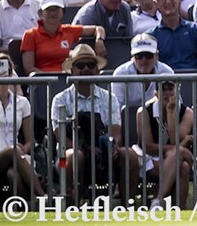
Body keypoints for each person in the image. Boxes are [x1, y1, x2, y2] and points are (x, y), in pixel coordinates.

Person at [49, 44, 140, 203]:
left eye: (91, 65)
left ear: (97, 70)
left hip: (103, 152)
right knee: (74, 155)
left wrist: (111, 147)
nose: (86, 69)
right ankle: (73, 207)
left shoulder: (109, 98)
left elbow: (116, 132)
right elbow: (62, 138)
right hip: (68, 155)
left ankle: (127, 207)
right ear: (72, 70)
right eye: (80, 65)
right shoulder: (60, 99)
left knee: (130, 155)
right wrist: (86, 148)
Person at [0, 53, 45, 201]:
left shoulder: (22, 102)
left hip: (17, 155)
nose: (3, 73)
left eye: (7, 70)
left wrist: (23, 149)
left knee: (13, 174)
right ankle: (43, 196)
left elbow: (30, 141)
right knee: (13, 151)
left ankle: (22, 213)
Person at [136, 78, 195, 210]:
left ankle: (159, 201)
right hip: (151, 159)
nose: (168, 93)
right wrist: (179, 147)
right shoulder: (143, 111)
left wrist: (170, 113)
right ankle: (175, 207)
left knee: (182, 162)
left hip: (175, 157)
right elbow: (149, 146)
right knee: (182, 163)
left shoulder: (187, 113)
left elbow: (174, 141)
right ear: (156, 93)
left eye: (171, 88)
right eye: (164, 89)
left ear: (177, 91)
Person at [19, 0, 104, 74]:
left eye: (56, 9)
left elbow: (98, 29)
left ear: (62, 12)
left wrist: (99, 40)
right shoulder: (30, 35)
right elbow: (29, 69)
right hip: (41, 83)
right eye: (48, 9)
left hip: (67, 80)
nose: (52, 13)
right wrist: (52, 79)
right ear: (40, 13)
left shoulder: (69, 30)